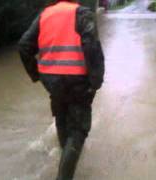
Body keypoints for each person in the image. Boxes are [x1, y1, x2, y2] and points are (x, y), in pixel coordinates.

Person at [18, 0, 105, 179]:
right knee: (78, 129)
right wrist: (95, 82)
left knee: (62, 117)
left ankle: (65, 156)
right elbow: (92, 49)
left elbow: (24, 46)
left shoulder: (45, 14)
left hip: (51, 80)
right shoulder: (82, 13)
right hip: (77, 80)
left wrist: (36, 75)